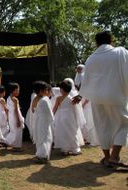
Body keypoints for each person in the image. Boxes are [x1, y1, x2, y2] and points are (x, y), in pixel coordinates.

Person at [76, 31, 128, 168]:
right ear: (111, 40)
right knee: (124, 124)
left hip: (96, 98)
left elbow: (87, 81)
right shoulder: (120, 52)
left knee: (102, 126)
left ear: (96, 42)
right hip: (116, 95)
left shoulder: (91, 58)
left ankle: (106, 157)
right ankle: (114, 157)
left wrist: (81, 95)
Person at [53, 81, 84, 156]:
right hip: (70, 117)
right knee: (72, 132)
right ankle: (75, 148)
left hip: (61, 118)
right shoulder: (72, 99)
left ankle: (65, 149)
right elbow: (75, 110)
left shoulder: (58, 98)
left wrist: (52, 116)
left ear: (61, 89)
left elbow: (55, 108)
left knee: (63, 132)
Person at [32, 81, 54, 163]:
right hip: (45, 122)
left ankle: (41, 155)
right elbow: (49, 113)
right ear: (41, 91)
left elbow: (34, 110)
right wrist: (52, 120)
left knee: (42, 138)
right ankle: (43, 156)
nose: (47, 91)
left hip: (40, 121)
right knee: (46, 138)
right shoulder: (45, 100)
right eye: (46, 90)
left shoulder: (39, 99)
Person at [5, 83, 25, 151]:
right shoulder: (15, 99)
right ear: (12, 90)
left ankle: (8, 142)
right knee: (18, 132)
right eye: (16, 90)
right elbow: (16, 110)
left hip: (11, 117)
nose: (18, 92)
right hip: (15, 117)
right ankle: (16, 146)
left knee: (13, 131)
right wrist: (18, 120)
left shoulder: (8, 98)